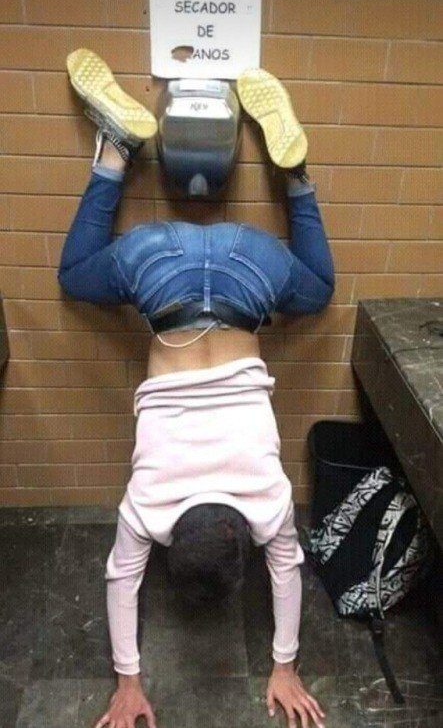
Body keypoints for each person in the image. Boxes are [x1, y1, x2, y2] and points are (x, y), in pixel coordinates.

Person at [59, 49, 334, 728]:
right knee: (77, 274)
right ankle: (118, 150)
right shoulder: (148, 507)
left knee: (318, 289)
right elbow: (121, 577)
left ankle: (296, 175)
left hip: (250, 265)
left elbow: (287, 570)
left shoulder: (268, 504)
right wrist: (128, 683)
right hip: (161, 264)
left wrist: (284, 663)